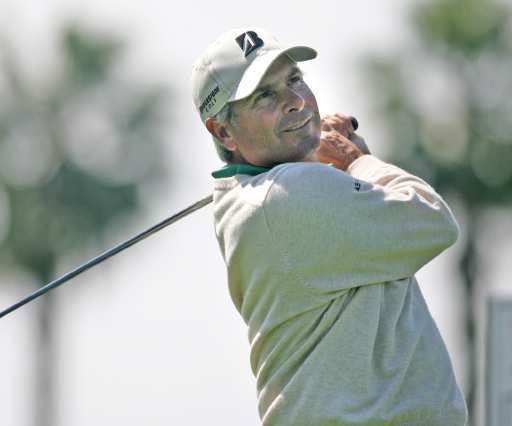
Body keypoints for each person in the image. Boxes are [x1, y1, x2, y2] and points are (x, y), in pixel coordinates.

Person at [191, 28, 468, 425]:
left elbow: (331, 196)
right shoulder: (291, 196)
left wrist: (332, 158)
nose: (296, 101)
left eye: (294, 80)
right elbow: (433, 220)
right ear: (223, 131)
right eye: (264, 95)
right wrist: (357, 159)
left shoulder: (253, 199)